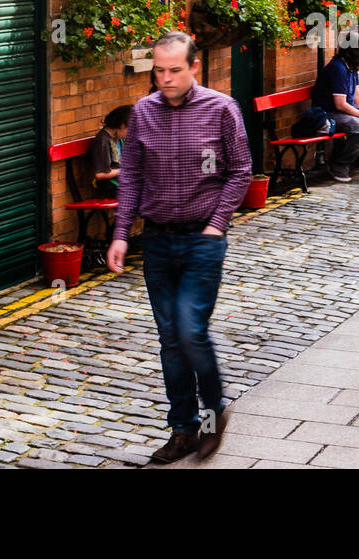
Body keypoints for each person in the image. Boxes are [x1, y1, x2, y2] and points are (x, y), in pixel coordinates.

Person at [107, 31, 253, 464]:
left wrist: (217, 223)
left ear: (194, 68)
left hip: (202, 238)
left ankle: (213, 414)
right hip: (157, 239)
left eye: (174, 70)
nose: (165, 78)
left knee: (190, 331)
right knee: (171, 341)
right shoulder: (143, 113)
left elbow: (241, 170)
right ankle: (183, 430)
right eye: (159, 70)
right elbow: (130, 175)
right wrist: (119, 233)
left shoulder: (222, 109)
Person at [311, 30, 359, 182]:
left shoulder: (351, 68)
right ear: (355, 51)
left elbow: (355, 99)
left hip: (343, 112)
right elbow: (340, 105)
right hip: (329, 114)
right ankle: (338, 165)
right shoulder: (338, 69)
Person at [90, 105, 132, 196]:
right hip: (108, 184)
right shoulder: (103, 141)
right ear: (122, 125)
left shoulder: (117, 137)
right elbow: (100, 174)